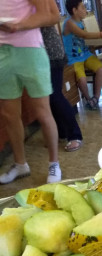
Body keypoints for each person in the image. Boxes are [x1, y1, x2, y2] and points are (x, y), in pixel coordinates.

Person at [0, 0, 62, 185]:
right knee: (9, 114)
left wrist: (18, 26)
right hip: (2, 52)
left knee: (43, 112)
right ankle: (20, 164)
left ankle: (54, 163)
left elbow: (50, 15)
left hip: (31, 50)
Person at [41, 26, 83, 152]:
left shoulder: (40, 13)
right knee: (50, 96)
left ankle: (75, 135)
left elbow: (52, 19)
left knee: (55, 96)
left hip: (51, 53)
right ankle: (61, 132)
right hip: (41, 55)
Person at [62, 0, 102, 110]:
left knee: (100, 69)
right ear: (74, 10)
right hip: (73, 59)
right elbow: (84, 35)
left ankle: (96, 97)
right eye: (82, 7)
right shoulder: (69, 23)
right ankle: (89, 99)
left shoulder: (80, 22)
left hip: (85, 54)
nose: (85, 10)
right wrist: (101, 34)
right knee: (82, 79)